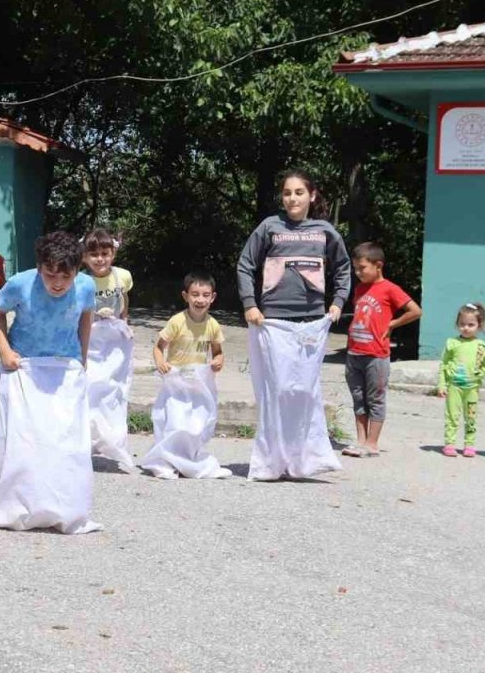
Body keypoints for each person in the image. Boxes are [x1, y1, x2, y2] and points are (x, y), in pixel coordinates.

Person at [0, 232, 101, 534]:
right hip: (24, 367)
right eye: (50, 275)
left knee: (64, 441)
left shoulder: (85, 286)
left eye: (65, 276)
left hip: (64, 367)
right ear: (39, 267)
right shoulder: (21, 283)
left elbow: (86, 316)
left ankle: (62, 504)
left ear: (77, 270)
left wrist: (83, 358)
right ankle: (19, 503)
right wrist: (5, 351)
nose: (57, 283)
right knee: (26, 442)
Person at [237, 170, 351, 481]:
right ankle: (271, 462)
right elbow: (245, 264)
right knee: (278, 391)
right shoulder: (269, 227)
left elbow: (343, 267)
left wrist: (338, 302)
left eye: (299, 192)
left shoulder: (325, 231)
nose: (292, 198)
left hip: (313, 322)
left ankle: (303, 462)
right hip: (273, 321)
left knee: (303, 392)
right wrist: (250, 304)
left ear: (312, 196)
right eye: (287, 193)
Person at [140, 272, 232, 479]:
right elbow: (158, 346)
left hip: (198, 383)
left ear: (213, 297)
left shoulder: (213, 325)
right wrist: (161, 362)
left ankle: (187, 459)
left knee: (195, 425)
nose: (200, 300)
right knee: (174, 422)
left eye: (205, 295)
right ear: (185, 296)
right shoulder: (177, 321)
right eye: (195, 294)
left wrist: (218, 362)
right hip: (176, 382)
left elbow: (218, 352)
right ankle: (165, 461)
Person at [342, 242, 421, 457]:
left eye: (362, 268)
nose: (358, 273)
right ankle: (360, 441)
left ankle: (372, 443)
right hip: (354, 352)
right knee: (358, 398)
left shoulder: (390, 289)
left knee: (375, 399)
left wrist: (393, 323)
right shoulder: (360, 289)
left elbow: (415, 311)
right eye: (355, 269)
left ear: (378, 265)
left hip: (376, 355)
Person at [83, 228, 137, 473]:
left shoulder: (122, 276)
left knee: (114, 388)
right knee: (91, 386)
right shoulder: (82, 280)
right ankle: (87, 439)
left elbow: (124, 300)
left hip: (115, 338)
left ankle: (113, 439)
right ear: (85, 257)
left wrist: (125, 323)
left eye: (105, 254)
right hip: (92, 337)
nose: (100, 259)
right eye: (94, 254)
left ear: (113, 254)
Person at [436, 303, 485, 458]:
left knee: (471, 417)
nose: (466, 328)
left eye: (471, 325)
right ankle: (450, 443)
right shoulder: (452, 343)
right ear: (457, 324)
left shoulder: (482, 347)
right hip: (454, 387)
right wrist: (442, 384)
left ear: (479, 325)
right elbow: (444, 364)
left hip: (472, 389)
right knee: (452, 416)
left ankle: (469, 445)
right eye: (462, 324)